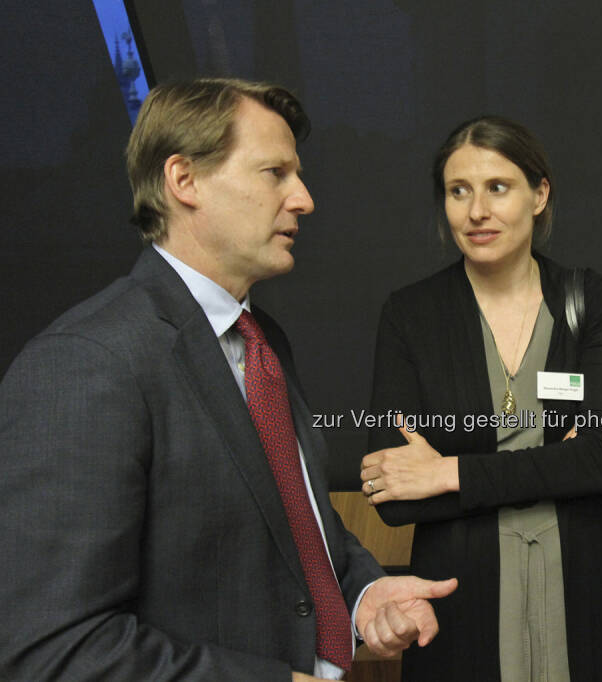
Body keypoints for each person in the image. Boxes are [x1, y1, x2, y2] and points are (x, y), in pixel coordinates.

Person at [0, 78, 456, 682]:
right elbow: (50, 648)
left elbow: (289, 520)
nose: (304, 199)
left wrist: (363, 596)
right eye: (275, 173)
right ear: (183, 180)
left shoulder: (261, 339)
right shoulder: (87, 362)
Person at [359, 116, 602, 680]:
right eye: (458, 191)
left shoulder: (591, 303)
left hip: (583, 599)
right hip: (460, 604)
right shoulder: (411, 315)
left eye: (498, 188)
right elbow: (393, 493)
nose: (476, 212)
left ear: (539, 195)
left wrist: (449, 472)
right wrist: (557, 465)